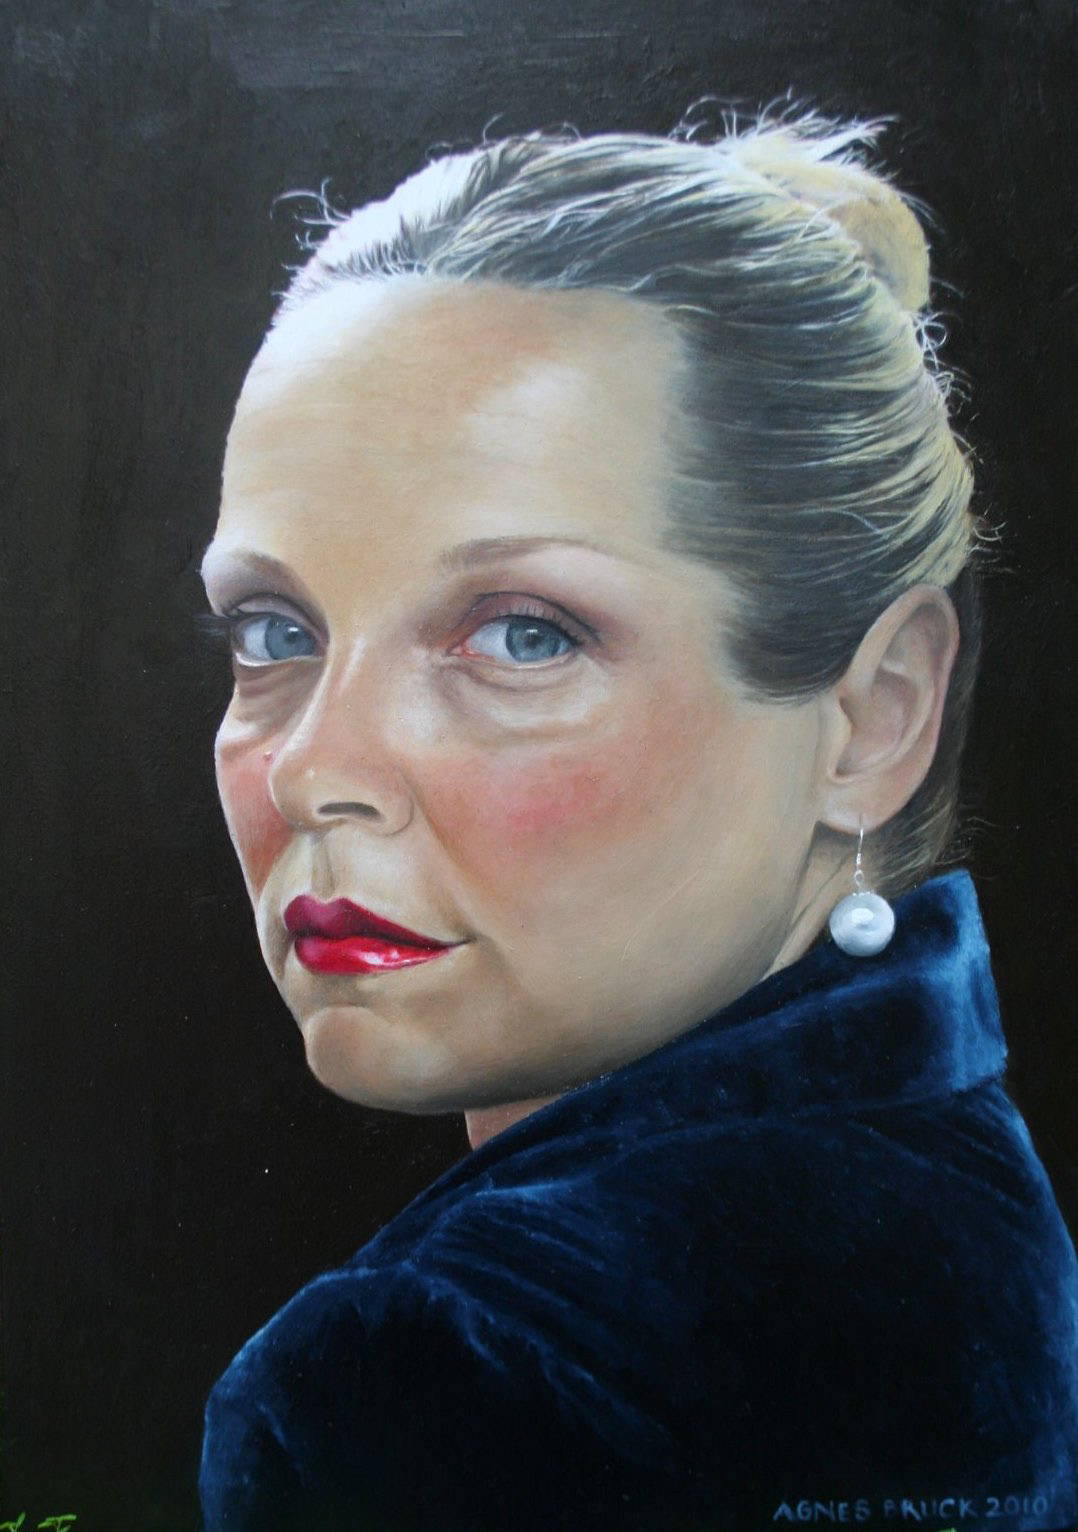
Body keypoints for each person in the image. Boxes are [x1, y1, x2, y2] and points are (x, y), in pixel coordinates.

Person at [196, 114, 1078, 1531]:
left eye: (524, 634)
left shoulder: (423, 1373)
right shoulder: (948, 1184)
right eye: (272, 631)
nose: (314, 769)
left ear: (875, 717)